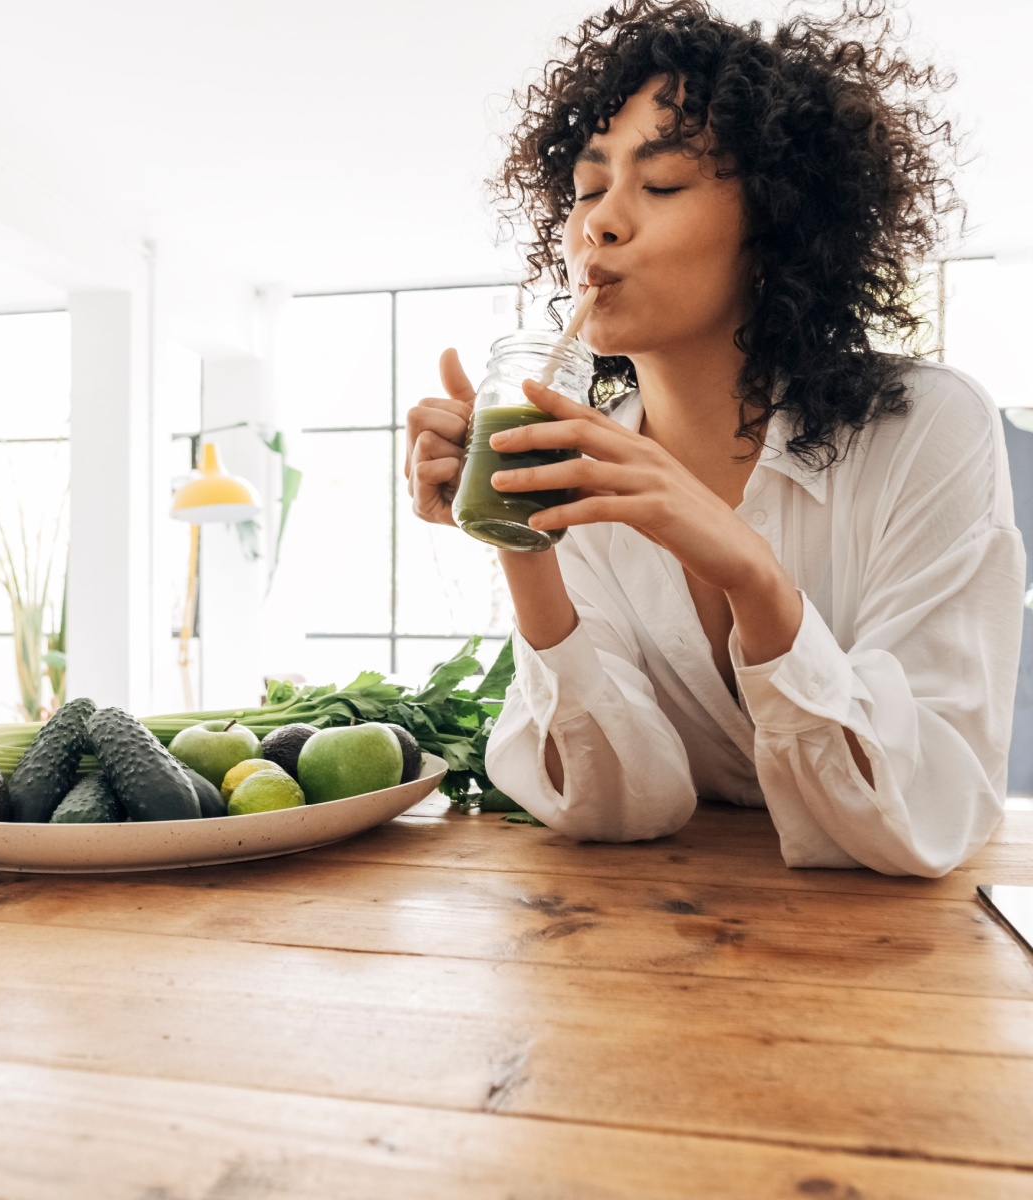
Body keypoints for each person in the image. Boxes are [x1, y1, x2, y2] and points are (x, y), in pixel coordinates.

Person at [404, 0, 1027, 876]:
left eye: (659, 186)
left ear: (774, 223)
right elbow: (613, 808)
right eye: (588, 189)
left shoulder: (926, 429)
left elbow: (927, 817)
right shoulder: (576, 462)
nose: (600, 224)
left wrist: (752, 575)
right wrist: (521, 535)